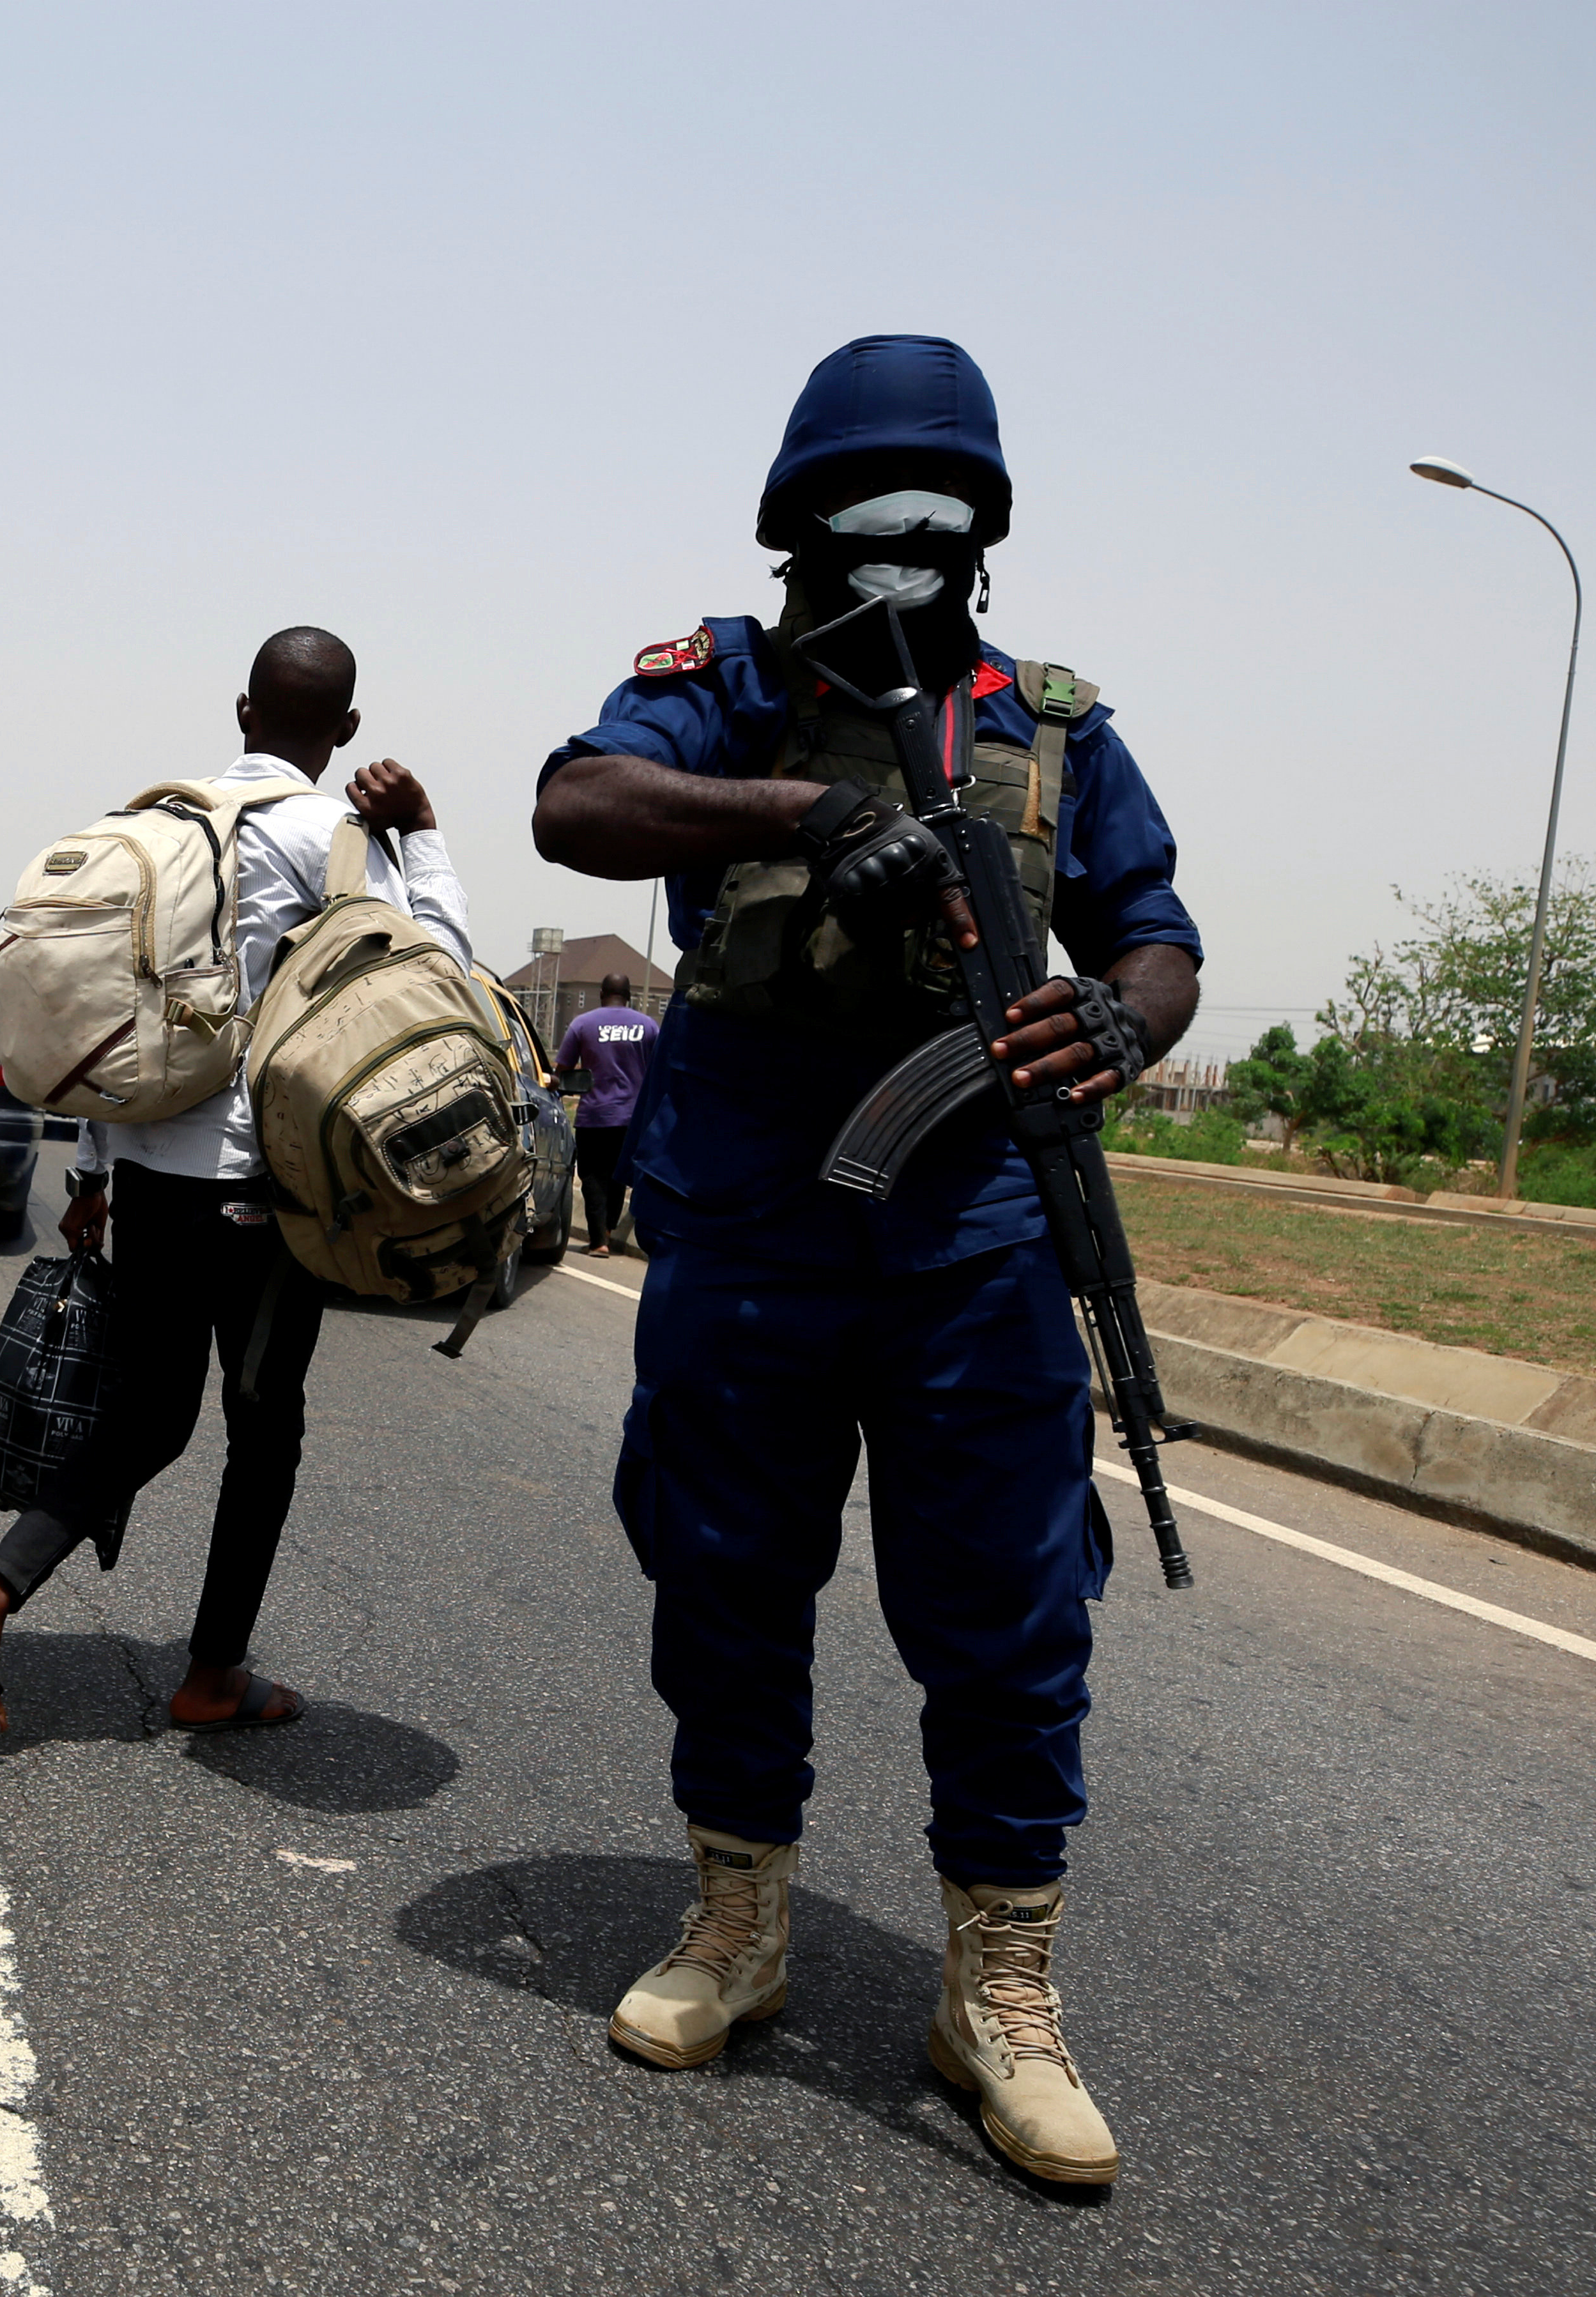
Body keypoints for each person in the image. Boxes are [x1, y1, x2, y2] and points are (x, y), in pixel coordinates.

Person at [526, 336, 1202, 2187]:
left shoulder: (1045, 724)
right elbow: (576, 805)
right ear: (790, 533)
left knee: (1006, 1609)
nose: (888, 555)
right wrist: (807, 813)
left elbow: (1156, 931)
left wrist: (1120, 1028)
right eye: (853, 523)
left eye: (927, 521)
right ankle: (737, 1922)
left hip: (975, 1229)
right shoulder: (722, 687)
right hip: (750, 1217)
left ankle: (1000, 1987)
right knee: (729, 1575)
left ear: (979, 536)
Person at [0, 627, 470, 1740]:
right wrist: (422, 832)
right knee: (262, 1429)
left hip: (147, 1175)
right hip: (262, 1195)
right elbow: (441, 973)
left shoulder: (164, 821)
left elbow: (115, 1011)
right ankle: (208, 1674)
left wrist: (89, 1164)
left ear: (239, 711)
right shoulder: (339, 836)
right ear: (347, 730)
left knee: (153, 1412)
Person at [551, 972, 656, 1256]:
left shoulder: (582, 1024)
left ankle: (599, 1240)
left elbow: (562, 1072)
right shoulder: (648, 1026)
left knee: (592, 1176)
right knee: (617, 1176)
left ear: (600, 994)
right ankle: (608, 1231)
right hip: (632, 1119)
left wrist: (554, 1082)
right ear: (630, 995)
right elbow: (659, 1070)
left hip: (594, 1115)